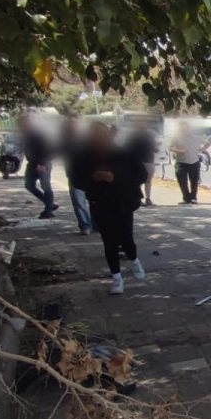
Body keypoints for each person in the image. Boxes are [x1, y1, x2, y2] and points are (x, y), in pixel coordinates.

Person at [71, 122, 146, 295]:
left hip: (122, 202)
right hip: (100, 204)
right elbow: (77, 181)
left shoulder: (123, 153)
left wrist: (115, 177)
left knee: (126, 238)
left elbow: (141, 175)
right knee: (109, 241)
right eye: (96, 135)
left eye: (103, 134)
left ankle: (134, 260)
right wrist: (93, 178)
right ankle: (116, 278)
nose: (101, 138)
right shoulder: (84, 157)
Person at [20, 113, 58, 218]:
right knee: (29, 185)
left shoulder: (38, 134)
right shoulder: (26, 135)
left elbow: (45, 149)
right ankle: (50, 204)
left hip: (43, 163)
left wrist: (41, 164)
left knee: (46, 186)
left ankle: (48, 211)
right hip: (32, 163)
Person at [60, 118, 92, 235]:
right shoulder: (64, 142)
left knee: (93, 201)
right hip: (74, 175)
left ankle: (92, 225)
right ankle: (85, 225)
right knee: (79, 202)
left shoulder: (85, 140)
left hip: (89, 175)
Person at [168, 123, 207, 204]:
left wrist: (201, 149)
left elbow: (208, 143)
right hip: (181, 162)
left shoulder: (195, 138)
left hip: (194, 162)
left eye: (186, 129)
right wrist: (179, 151)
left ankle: (193, 198)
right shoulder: (176, 138)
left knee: (194, 181)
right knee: (182, 180)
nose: (184, 131)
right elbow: (170, 147)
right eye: (182, 129)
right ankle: (186, 198)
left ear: (189, 129)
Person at [125, 121, 160, 206]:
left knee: (138, 181)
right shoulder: (149, 137)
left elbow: (127, 148)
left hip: (137, 162)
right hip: (147, 161)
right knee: (147, 181)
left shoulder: (131, 137)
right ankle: (147, 199)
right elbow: (156, 149)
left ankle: (139, 199)